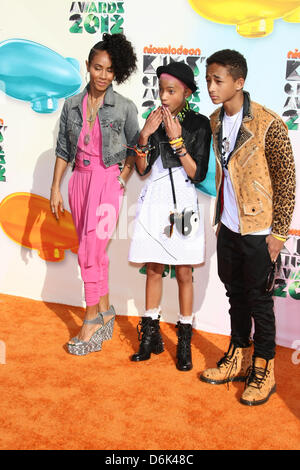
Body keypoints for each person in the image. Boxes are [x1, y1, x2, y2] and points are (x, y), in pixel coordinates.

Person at [201, 49, 296, 405]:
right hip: (227, 224)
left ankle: (264, 368)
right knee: (234, 294)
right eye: (208, 79)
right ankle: (238, 355)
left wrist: (279, 233)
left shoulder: (269, 123)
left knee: (259, 301)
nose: (210, 86)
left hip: (259, 229)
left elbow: (286, 180)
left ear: (239, 83)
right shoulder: (213, 121)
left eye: (218, 80)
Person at [50, 33, 139, 356]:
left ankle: (89, 319)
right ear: (88, 66)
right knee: (95, 252)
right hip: (78, 182)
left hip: (106, 182)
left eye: (110, 70)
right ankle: (105, 310)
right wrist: (55, 188)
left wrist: (122, 177)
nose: (103, 75)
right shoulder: (72, 104)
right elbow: (63, 149)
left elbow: (135, 147)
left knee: (90, 250)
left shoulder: (124, 107)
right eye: (98, 68)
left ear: (117, 73)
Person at [128, 62, 211, 371]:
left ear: (186, 93)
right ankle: (150, 336)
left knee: (185, 272)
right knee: (153, 268)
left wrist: (177, 140)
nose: (164, 97)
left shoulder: (199, 124)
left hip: (184, 205)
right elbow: (141, 169)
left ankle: (184, 340)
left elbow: (197, 172)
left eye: (171, 91)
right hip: (156, 202)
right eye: (161, 90)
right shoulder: (153, 120)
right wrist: (145, 136)